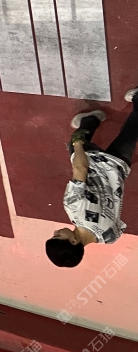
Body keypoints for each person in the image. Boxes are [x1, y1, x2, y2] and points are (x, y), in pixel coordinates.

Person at [46, 89, 137, 267]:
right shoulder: (73, 208)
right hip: (95, 162)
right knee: (75, 146)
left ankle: (92, 119)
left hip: (119, 168)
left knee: (131, 132)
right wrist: (77, 142)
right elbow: (80, 169)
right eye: (57, 236)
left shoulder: (111, 237)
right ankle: (90, 120)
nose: (56, 232)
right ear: (73, 241)